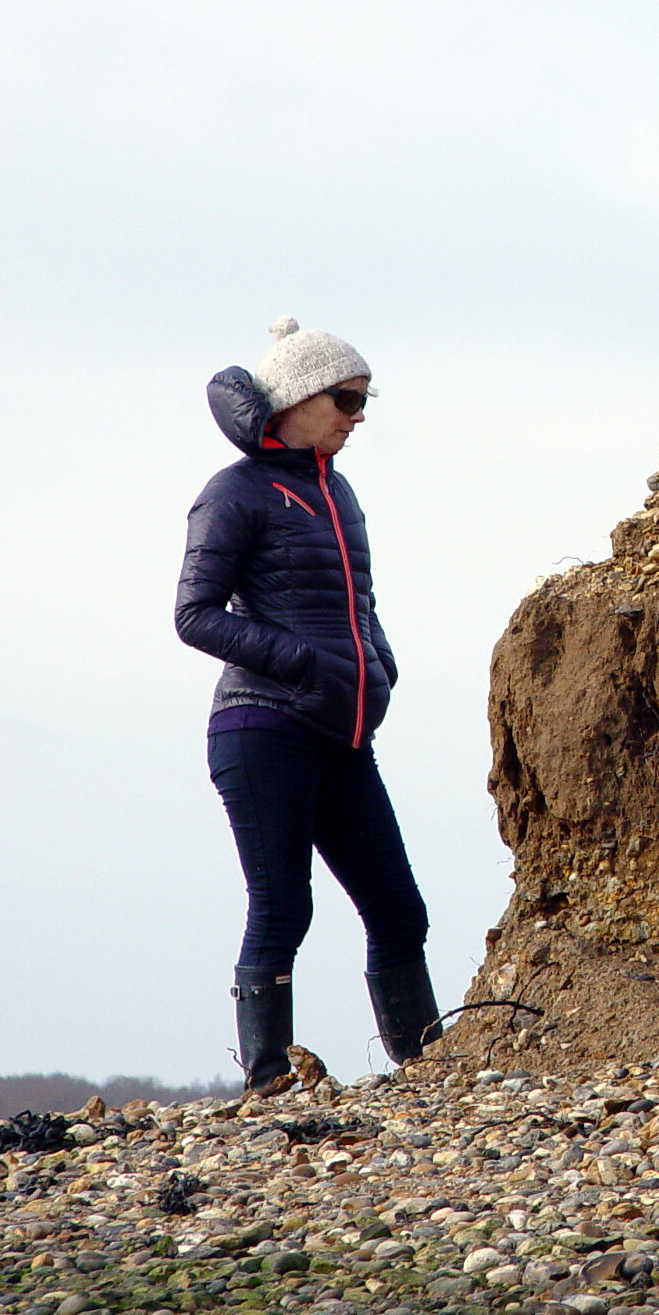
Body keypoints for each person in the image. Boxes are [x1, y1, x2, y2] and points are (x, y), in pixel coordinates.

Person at [175, 317, 441, 1093]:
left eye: (365, 403)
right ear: (296, 398)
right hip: (261, 726)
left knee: (399, 909)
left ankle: (426, 1072)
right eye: (347, 400)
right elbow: (194, 614)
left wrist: (380, 666)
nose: (358, 417)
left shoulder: (339, 490)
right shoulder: (233, 492)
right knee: (284, 908)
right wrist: (304, 662)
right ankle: (267, 1083)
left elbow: (359, 600)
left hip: (341, 729)